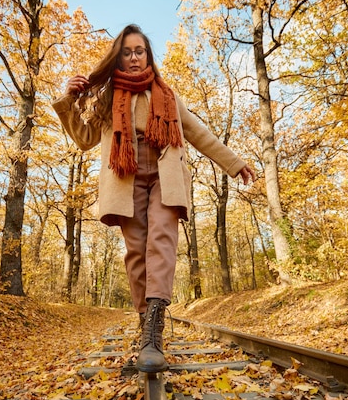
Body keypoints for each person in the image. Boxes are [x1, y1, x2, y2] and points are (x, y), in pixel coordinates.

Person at [52, 24, 255, 374]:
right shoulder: (106, 97)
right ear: (120, 57)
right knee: (136, 249)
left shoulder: (168, 96)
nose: (133, 58)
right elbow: (84, 138)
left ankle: (154, 332)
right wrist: (68, 100)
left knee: (161, 240)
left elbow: (199, 134)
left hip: (165, 175)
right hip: (125, 177)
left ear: (148, 56)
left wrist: (235, 164)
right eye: (127, 52)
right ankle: (144, 322)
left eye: (139, 51)